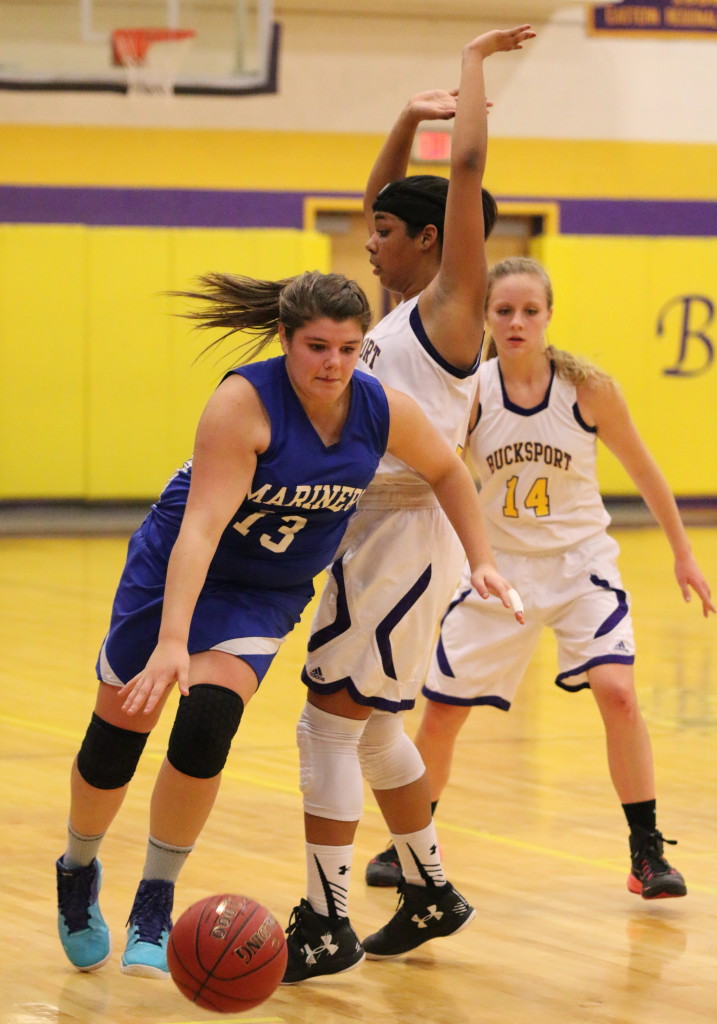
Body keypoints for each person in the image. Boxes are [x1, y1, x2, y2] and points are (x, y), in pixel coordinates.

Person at [54, 268, 515, 978]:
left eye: (349, 349)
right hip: (179, 563)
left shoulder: (378, 407)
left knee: (207, 722)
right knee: (118, 735)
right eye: (317, 347)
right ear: (284, 340)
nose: (334, 364)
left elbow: (448, 471)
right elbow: (201, 531)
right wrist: (172, 641)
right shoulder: (242, 404)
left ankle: (155, 897)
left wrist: (481, 560)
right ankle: (78, 867)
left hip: (262, 589)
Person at [281, 26, 535, 985]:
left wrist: (470, 65)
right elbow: (377, 197)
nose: (369, 239)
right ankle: (429, 891)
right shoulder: (393, 313)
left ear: (430, 240)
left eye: (386, 232)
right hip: (380, 535)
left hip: (407, 535)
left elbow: (463, 171)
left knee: (326, 726)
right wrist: (399, 119)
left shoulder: (453, 308)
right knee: (379, 727)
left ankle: (325, 920)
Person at [364, 256, 715, 899]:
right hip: (500, 570)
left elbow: (644, 470)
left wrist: (683, 553)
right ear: (486, 317)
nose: (517, 322)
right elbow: (432, 469)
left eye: (530, 310)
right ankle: (406, 843)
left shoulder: (588, 390)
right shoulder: (472, 390)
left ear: (550, 314)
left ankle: (646, 853)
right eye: (503, 311)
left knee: (618, 692)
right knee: (441, 715)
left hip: (581, 565)